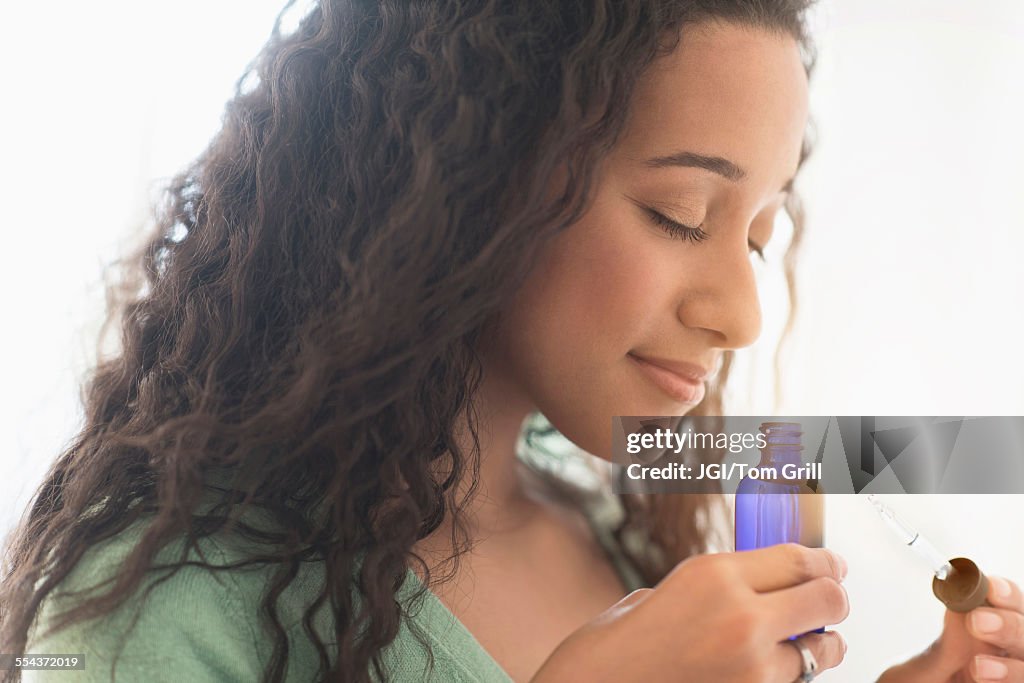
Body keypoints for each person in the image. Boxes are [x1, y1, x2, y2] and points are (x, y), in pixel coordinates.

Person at [2, 1, 1022, 681]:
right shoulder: (162, 613)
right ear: (467, 186)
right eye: (678, 213)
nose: (741, 312)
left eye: (758, 234)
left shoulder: (614, 525)